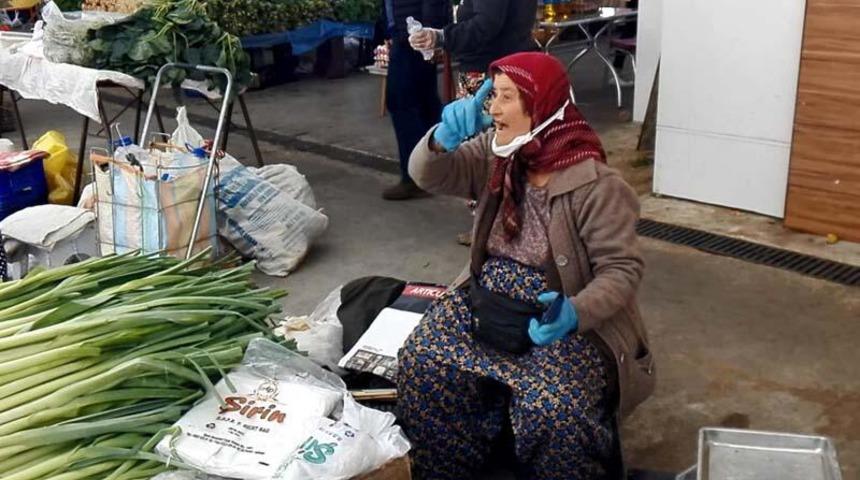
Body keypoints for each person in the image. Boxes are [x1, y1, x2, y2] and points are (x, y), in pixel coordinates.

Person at [396, 52, 655, 479]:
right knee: (424, 359)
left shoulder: (597, 185)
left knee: (553, 405)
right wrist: (441, 138)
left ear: (543, 104)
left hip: (559, 308)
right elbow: (429, 175)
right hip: (488, 295)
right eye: (491, 97)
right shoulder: (495, 154)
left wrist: (575, 313)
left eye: (507, 98)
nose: (494, 109)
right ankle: (452, 466)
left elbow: (621, 269)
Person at [380, 0, 450, 200]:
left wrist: (431, 36)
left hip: (414, 38)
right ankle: (433, 171)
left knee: (404, 104)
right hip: (406, 35)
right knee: (424, 102)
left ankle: (415, 178)